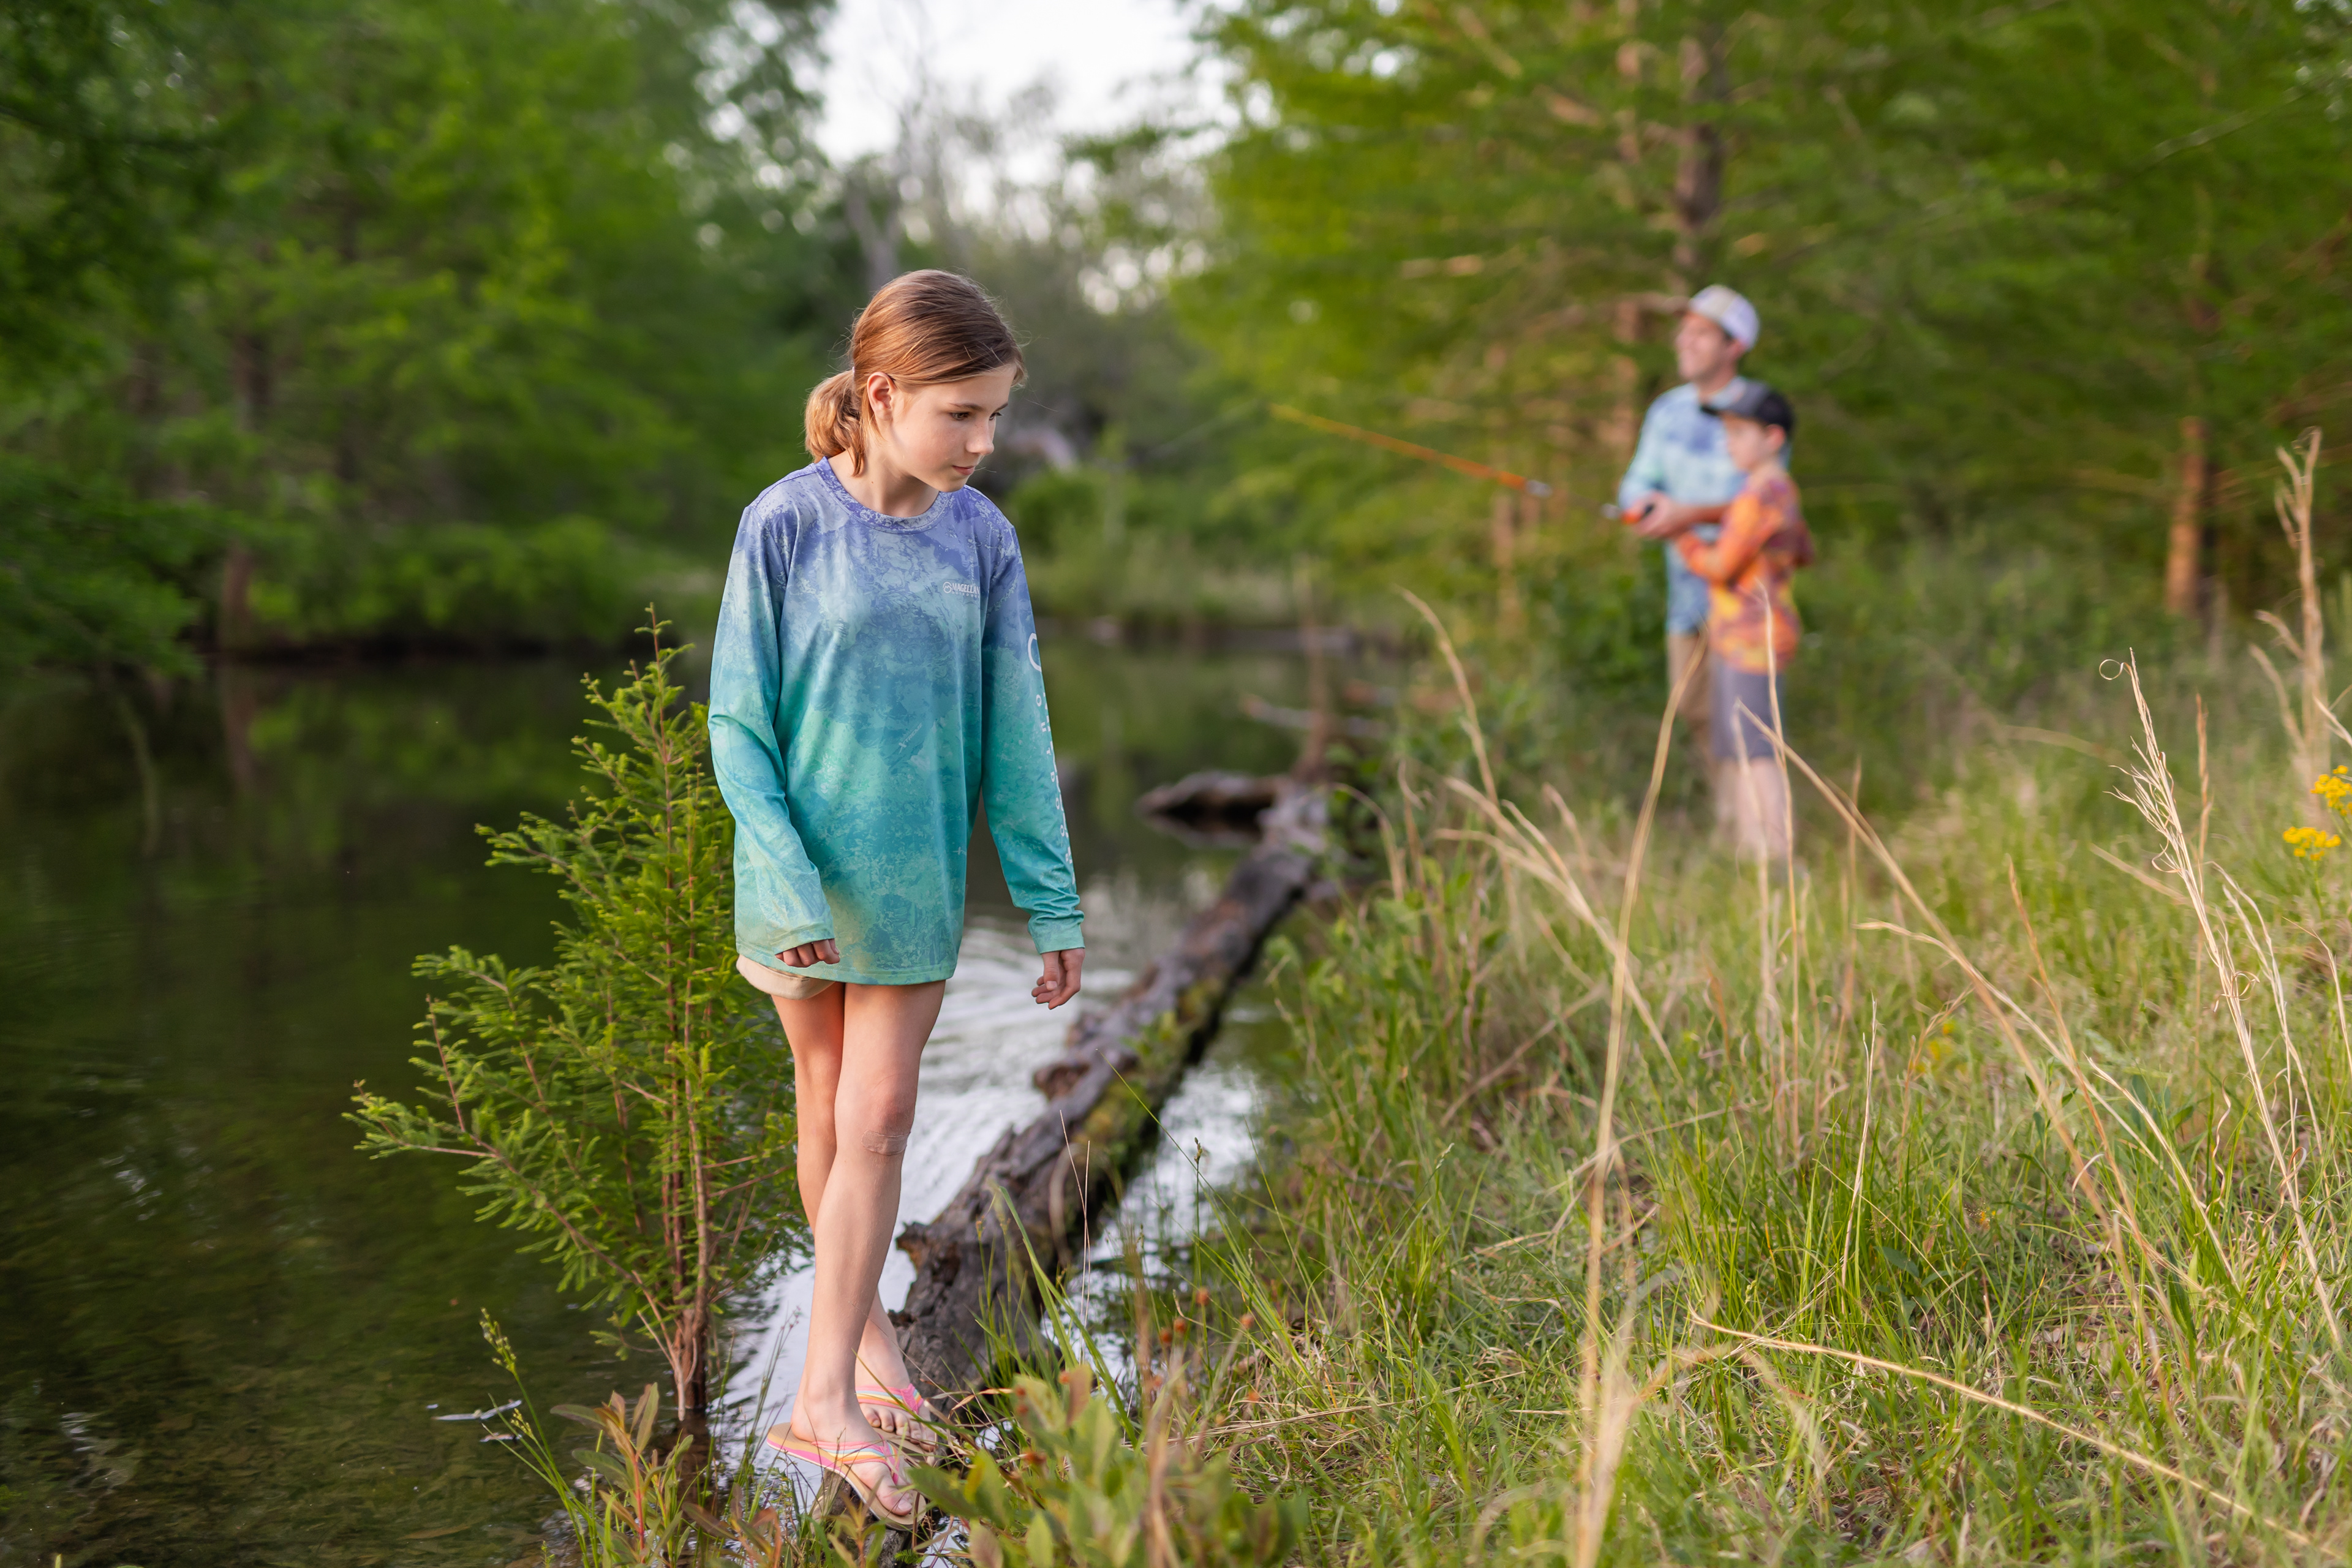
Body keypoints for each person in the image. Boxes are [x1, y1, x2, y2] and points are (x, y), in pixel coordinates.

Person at [707, 270, 1085, 1527]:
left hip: (915, 878)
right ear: (879, 396)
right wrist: (783, 868)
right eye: (961, 414)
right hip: (797, 883)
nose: (983, 443)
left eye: (993, 415)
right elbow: (737, 725)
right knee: (826, 1107)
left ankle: (823, 1398)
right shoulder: (784, 524)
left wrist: (1051, 899)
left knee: (875, 1117)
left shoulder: (983, 538)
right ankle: (862, 1357)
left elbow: (1017, 728)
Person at [1614, 285, 1762, 761]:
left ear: (1733, 347)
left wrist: (1688, 515)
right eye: (1684, 331)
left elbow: (1766, 502)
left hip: (1744, 602)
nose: (1684, 341)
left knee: (1747, 727)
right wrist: (1645, 507)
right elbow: (1636, 481)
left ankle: (1764, 833)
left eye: (1701, 333)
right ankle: (1730, 830)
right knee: (1697, 715)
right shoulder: (1667, 411)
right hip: (1685, 599)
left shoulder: (1761, 412)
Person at [1673, 382, 1814, 861]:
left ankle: (1776, 857)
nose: (1728, 441)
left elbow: (1719, 566)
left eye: (1739, 432)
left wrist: (1681, 535)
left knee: (1757, 751)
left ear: (1773, 439)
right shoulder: (1778, 491)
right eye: (1727, 431)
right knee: (1738, 746)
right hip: (1742, 639)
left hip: (1754, 643)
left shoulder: (1760, 495)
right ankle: (1747, 849)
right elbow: (1805, 552)